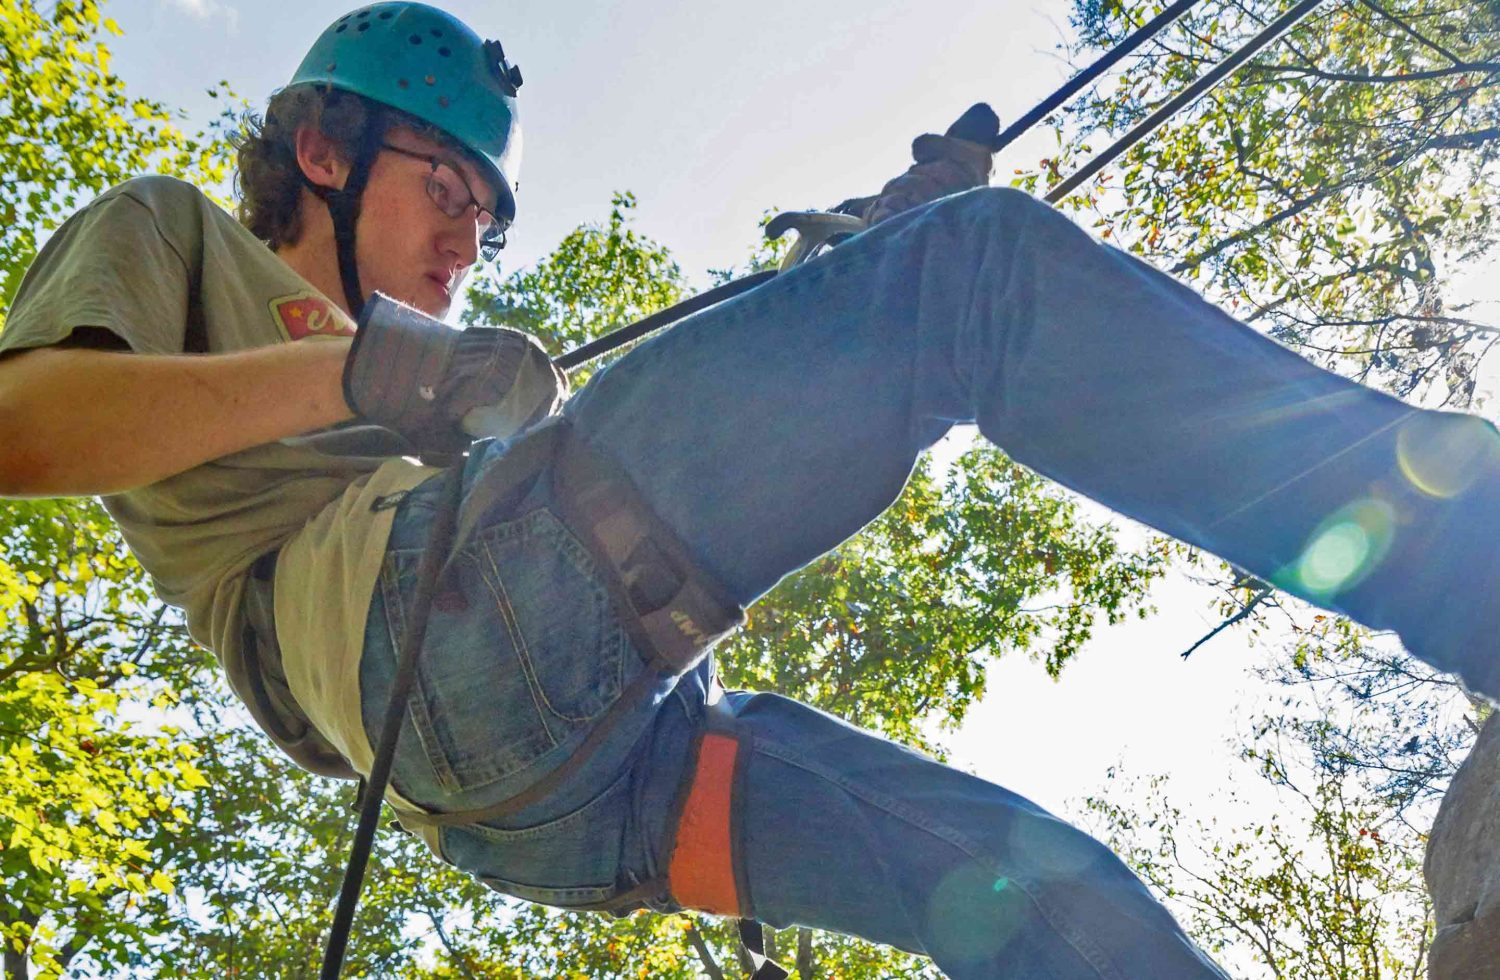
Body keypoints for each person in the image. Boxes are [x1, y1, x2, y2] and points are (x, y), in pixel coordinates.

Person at [2, 3, 1496, 977]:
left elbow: (653, 474)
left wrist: (864, 268)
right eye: (443, 189)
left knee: (1040, 892)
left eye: (486, 218)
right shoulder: (180, 238)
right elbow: (24, 427)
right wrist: (365, 373)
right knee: (974, 280)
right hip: (435, 641)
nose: (465, 242)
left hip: (562, 787)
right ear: (321, 152)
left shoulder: (444, 406)